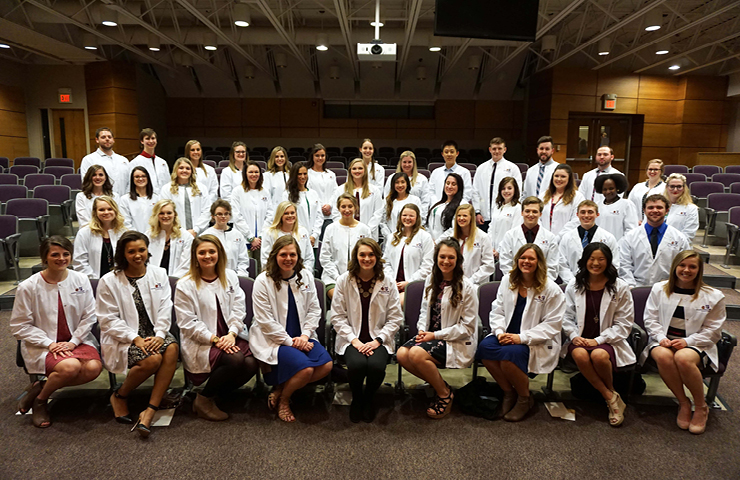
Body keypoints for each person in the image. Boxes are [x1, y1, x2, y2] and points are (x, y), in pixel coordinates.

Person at [10, 236, 103, 428]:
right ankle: (41, 401)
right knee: (70, 368)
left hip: (77, 340)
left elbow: (90, 315)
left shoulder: (81, 279)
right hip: (44, 345)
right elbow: (19, 325)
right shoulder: (28, 287)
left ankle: (40, 388)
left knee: (93, 368)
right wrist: (49, 344)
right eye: (55, 255)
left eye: (66, 254)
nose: (61, 258)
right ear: (45, 258)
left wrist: (74, 341)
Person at [96, 231, 179, 438]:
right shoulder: (109, 280)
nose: (137, 255)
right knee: (152, 360)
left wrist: (160, 334)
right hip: (124, 337)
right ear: (122, 254)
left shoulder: (159, 274)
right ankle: (120, 395)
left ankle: (150, 409)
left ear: (148, 250)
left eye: (141, 250)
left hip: (153, 333)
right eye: (131, 251)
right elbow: (107, 319)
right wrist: (134, 338)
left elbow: (164, 307)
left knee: (171, 348)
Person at [174, 235, 259, 421]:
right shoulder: (185, 284)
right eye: (202, 252)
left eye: (211, 251)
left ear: (219, 254)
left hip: (229, 335)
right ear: (194, 255)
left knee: (252, 362)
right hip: (203, 340)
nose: (207, 256)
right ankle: (203, 400)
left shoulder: (229, 276)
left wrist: (232, 334)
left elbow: (239, 308)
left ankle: (214, 394)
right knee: (236, 359)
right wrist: (215, 340)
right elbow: (187, 322)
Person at [642, 250, 726, 435]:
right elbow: (650, 319)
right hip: (662, 340)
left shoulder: (714, 296)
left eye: (692, 266)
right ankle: (683, 402)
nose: (686, 270)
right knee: (663, 356)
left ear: (699, 270)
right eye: (682, 265)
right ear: (674, 267)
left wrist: (688, 341)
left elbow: (713, 330)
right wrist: (661, 338)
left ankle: (701, 405)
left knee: (682, 358)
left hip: (697, 344)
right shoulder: (659, 289)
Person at [477, 243, 564, 421]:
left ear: (539, 262)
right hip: (506, 335)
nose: (526, 261)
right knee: (485, 349)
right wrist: (500, 332)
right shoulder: (508, 281)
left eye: (531, 258)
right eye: (522, 258)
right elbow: (497, 310)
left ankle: (524, 398)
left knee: (509, 358)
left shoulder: (551, 289)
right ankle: (509, 393)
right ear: (517, 261)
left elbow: (552, 325)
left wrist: (521, 338)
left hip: (535, 341)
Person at [250, 235, 333, 422]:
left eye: (292, 254)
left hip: (302, 337)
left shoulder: (306, 276)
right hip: (274, 339)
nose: (288, 259)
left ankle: (281, 388)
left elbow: (314, 309)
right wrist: (291, 342)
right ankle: (285, 400)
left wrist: (304, 336)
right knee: (305, 370)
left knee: (326, 365)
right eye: (283, 254)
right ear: (275, 256)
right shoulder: (263, 280)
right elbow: (265, 320)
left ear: (298, 256)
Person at [396, 238, 478, 419]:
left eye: (451, 257)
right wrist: (421, 331)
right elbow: (424, 310)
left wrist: (434, 334)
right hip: (430, 335)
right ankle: (441, 385)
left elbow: (468, 327)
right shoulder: (432, 280)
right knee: (402, 354)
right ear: (436, 258)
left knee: (416, 354)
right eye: (442, 256)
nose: (446, 261)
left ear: (458, 260)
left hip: (455, 340)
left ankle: (444, 394)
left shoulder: (468, 287)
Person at [562, 242, 636, 426]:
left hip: (608, 339)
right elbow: (566, 317)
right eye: (591, 259)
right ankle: (611, 397)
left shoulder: (620, 287)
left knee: (599, 355)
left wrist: (599, 340)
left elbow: (624, 323)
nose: (596, 263)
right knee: (579, 353)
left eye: (601, 259)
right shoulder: (574, 284)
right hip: (580, 338)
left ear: (608, 261)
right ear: (584, 261)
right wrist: (573, 336)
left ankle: (609, 393)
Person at [331, 238, 403, 422]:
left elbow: (395, 317)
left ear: (377, 257)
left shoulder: (387, 281)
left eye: (371, 254)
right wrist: (354, 340)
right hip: (351, 339)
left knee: (376, 366)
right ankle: (357, 398)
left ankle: (369, 397)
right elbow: (337, 317)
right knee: (357, 365)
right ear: (356, 256)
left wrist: (378, 340)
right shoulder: (344, 281)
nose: (367, 258)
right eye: (362, 254)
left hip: (378, 338)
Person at [619, 194, 691, 288]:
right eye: (651, 207)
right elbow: (624, 264)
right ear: (644, 211)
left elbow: (684, 265)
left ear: (667, 211)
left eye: (659, 207)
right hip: (636, 287)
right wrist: (631, 287)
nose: (655, 211)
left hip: (667, 288)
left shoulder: (679, 238)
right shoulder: (630, 237)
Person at [320, 194, 372, 299]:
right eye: (343, 207)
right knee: (339, 298)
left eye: (350, 206)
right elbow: (325, 258)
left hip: (360, 277)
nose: (347, 210)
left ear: (355, 207)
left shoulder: (364, 229)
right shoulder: (330, 229)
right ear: (338, 208)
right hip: (333, 278)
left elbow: (370, 256)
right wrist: (338, 277)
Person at [382, 204, 434, 306]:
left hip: (415, 285)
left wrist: (409, 282)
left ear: (417, 218)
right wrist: (392, 280)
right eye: (404, 215)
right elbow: (385, 262)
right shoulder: (392, 237)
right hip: (393, 285)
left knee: (397, 304)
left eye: (411, 216)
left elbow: (427, 266)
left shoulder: (425, 237)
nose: (407, 218)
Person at [498, 196, 560, 281]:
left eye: (535, 212)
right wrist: (518, 282)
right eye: (527, 211)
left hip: (541, 285)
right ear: (522, 213)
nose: (531, 215)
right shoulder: (510, 235)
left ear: (540, 214)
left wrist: (540, 283)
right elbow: (505, 264)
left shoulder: (550, 237)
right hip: (515, 283)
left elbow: (552, 267)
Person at [558, 200, 619, 284]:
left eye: (590, 212)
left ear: (597, 214)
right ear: (577, 215)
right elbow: (562, 264)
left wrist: (600, 281)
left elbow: (614, 263)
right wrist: (573, 282)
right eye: (583, 212)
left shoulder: (608, 238)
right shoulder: (567, 238)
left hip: (601, 283)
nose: (586, 215)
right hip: (573, 283)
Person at [473, 137, 523, 232]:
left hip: (505, 216)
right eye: (494, 148)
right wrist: (477, 212)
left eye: (500, 148)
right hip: (484, 217)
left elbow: (518, 191)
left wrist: (511, 210)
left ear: (505, 150)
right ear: (490, 150)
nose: (497, 151)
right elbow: (475, 191)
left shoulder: (513, 168)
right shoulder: (481, 168)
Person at [229, 159, 273, 267]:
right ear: (245, 174)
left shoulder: (265, 192)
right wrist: (250, 238)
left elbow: (270, 215)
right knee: (245, 270)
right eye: (251, 172)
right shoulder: (237, 191)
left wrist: (261, 237)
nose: (254, 174)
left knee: (261, 270)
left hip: (261, 242)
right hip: (244, 239)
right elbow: (237, 216)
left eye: (256, 172)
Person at [441, 204, 496, 285]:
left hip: (475, 284)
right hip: (454, 283)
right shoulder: (451, 237)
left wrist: (471, 280)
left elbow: (488, 266)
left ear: (472, 217)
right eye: (459, 215)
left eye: (465, 216)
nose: (461, 218)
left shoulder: (483, 237)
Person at [72, 196, 125, 279]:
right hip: (92, 281)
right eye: (101, 210)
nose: (106, 212)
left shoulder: (123, 232)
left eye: (110, 209)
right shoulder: (84, 233)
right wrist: (95, 280)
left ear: (115, 211)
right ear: (95, 212)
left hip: (119, 281)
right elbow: (80, 262)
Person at [330, 158, 383, 240]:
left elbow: (378, 213)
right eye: (354, 168)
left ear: (365, 170)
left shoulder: (374, 190)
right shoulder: (341, 190)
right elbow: (335, 212)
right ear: (350, 171)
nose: (357, 171)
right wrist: (344, 228)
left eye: (360, 168)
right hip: (345, 233)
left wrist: (366, 229)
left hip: (369, 234)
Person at [159, 157, 211, 237]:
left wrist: (196, 230)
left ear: (192, 171)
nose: (184, 171)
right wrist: (180, 231)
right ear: (176, 170)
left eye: (187, 168)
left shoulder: (201, 188)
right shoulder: (166, 189)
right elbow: (165, 213)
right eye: (181, 168)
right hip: (176, 232)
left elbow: (207, 210)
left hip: (199, 232)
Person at [261, 201, 315, 273]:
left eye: (292, 213)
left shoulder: (303, 231)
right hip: (276, 275)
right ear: (280, 215)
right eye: (286, 213)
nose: (290, 215)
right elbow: (266, 260)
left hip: (301, 275)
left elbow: (309, 258)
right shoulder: (269, 233)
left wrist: (303, 273)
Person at [202, 200, 250, 277]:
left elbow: (243, 260)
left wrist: (240, 276)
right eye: (220, 214)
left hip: (235, 276)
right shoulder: (206, 235)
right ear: (213, 216)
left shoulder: (237, 235)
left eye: (226, 214)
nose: (223, 216)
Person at [146, 199, 193, 276]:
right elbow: (146, 262)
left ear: (175, 214)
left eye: (169, 213)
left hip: (177, 281)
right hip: (153, 279)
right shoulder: (149, 235)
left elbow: (186, 265)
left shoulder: (186, 237)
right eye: (161, 213)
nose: (165, 216)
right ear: (156, 215)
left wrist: (171, 281)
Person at [80, 127, 130, 197]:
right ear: (97, 140)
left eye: (109, 137)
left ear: (113, 140)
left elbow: (129, 183)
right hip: (101, 203)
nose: (107, 139)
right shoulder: (89, 159)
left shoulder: (123, 160)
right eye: (103, 137)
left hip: (122, 202)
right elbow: (87, 183)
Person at [541, 164, 583, 241]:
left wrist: (558, 237)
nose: (559, 179)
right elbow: (538, 218)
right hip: (544, 239)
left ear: (569, 179)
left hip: (566, 240)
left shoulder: (577, 197)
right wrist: (544, 235)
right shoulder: (543, 195)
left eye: (563, 176)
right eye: (556, 176)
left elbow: (576, 220)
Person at [283, 161, 322, 246]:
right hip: (296, 238)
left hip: (313, 240)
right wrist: (302, 234)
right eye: (299, 174)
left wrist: (314, 235)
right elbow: (288, 217)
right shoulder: (287, 195)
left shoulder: (313, 193)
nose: (303, 177)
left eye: (305, 174)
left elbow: (319, 216)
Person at [384, 151, 430, 221]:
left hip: (413, 217)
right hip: (394, 216)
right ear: (400, 163)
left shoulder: (422, 179)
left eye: (409, 162)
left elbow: (425, 202)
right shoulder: (391, 178)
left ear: (414, 163)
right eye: (404, 162)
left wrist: (421, 220)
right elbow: (387, 198)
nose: (407, 165)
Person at [594, 173, 639, 239]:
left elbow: (631, 229)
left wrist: (623, 245)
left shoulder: (626, 204)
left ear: (618, 188)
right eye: (605, 189)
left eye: (611, 188)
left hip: (619, 245)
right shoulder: (597, 205)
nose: (608, 192)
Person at [380, 172, 422, 240]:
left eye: (403, 182)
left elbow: (419, 220)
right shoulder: (387, 201)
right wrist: (390, 237)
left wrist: (410, 236)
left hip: (410, 239)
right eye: (397, 182)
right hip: (391, 239)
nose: (400, 185)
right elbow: (383, 222)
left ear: (407, 184)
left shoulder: (415, 200)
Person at [306, 143, 337, 234]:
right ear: (312, 156)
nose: (320, 158)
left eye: (322, 155)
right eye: (317, 155)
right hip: (315, 215)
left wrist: (329, 205)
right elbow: (309, 193)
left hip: (330, 215)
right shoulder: (307, 174)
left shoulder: (331, 174)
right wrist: (321, 207)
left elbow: (335, 192)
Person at [488, 177, 523, 259]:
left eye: (509, 188)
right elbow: (491, 227)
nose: (506, 191)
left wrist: (500, 250)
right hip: (492, 251)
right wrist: (489, 247)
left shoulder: (518, 208)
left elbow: (514, 232)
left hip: (507, 251)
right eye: (503, 188)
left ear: (515, 190)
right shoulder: (497, 207)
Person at [128, 128, 171, 192]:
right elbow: (131, 185)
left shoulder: (162, 162)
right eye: (147, 139)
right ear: (142, 141)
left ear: (156, 140)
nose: (151, 141)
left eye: (153, 138)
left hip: (163, 198)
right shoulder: (135, 163)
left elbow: (168, 183)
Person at [119, 166, 159, 233]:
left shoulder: (157, 198)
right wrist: (138, 237)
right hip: (135, 238)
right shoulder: (125, 200)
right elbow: (125, 223)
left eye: (143, 176)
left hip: (154, 236)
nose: (140, 179)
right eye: (137, 177)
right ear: (132, 179)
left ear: (148, 178)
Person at [662, 173, 700, 243]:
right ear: (666, 187)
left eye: (679, 186)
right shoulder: (659, 206)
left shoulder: (691, 209)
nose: (675, 189)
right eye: (672, 186)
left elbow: (689, 235)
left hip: (678, 247)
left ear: (684, 188)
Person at [427, 173, 465, 241]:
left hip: (447, 244)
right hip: (432, 243)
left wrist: (438, 242)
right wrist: (429, 240)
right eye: (447, 183)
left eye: (453, 184)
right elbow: (428, 225)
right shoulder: (439, 204)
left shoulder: (462, 204)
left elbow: (454, 229)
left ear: (459, 187)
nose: (449, 186)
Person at [522, 136, 558, 200]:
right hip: (532, 208)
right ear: (537, 150)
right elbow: (525, 193)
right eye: (541, 148)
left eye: (547, 149)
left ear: (552, 151)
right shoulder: (530, 171)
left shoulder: (558, 169)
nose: (544, 151)